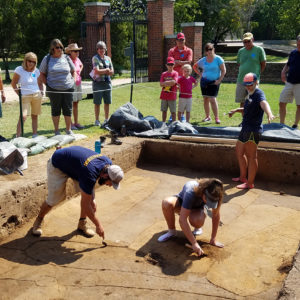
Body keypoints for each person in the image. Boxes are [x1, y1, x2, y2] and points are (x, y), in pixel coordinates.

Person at [31, 146, 124, 238]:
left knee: (91, 202)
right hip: (58, 164)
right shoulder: (90, 174)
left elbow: (87, 199)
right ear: (105, 175)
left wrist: (92, 201)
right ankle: (39, 219)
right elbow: (85, 204)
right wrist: (98, 225)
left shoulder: (108, 164)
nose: (110, 185)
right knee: (54, 200)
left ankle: (82, 224)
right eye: (111, 183)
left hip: (77, 168)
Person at [229, 73, 275, 189]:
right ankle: (243, 177)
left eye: (250, 84)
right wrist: (236, 110)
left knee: (252, 156)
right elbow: (248, 107)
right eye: (246, 84)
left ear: (256, 82)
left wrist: (269, 113)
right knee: (239, 152)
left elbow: (264, 103)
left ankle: (250, 183)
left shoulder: (259, 93)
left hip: (253, 129)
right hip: (245, 128)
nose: (248, 86)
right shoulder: (250, 93)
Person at [158, 178, 224, 257]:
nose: (209, 203)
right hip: (182, 204)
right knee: (167, 203)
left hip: (197, 208)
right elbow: (182, 220)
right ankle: (171, 231)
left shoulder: (216, 194)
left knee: (197, 220)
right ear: (203, 192)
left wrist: (213, 239)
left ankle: (197, 227)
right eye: (208, 200)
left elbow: (216, 215)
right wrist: (194, 243)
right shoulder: (191, 191)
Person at [39, 39, 75, 136]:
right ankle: (56, 131)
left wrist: (73, 81)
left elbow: (73, 70)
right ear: (52, 49)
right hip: (53, 89)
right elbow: (41, 73)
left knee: (68, 109)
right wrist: (48, 84)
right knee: (56, 110)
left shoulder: (67, 58)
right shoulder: (47, 59)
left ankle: (68, 130)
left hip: (68, 88)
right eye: (57, 47)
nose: (60, 49)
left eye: (61, 47)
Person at [11, 52, 43, 137]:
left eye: (34, 62)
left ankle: (35, 134)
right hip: (25, 96)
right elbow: (13, 84)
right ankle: (18, 136)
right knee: (23, 116)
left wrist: (42, 92)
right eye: (29, 61)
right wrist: (19, 94)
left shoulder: (36, 71)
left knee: (35, 115)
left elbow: (40, 83)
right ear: (25, 60)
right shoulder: (19, 69)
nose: (31, 63)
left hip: (36, 95)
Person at [193, 43, 226, 124]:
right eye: (208, 50)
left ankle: (217, 118)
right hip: (204, 82)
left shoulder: (218, 59)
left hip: (214, 82)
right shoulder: (203, 60)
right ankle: (207, 117)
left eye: (211, 49)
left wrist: (219, 80)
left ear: (213, 49)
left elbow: (223, 70)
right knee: (205, 99)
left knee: (212, 99)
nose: (210, 51)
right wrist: (200, 74)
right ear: (206, 51)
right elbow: (194, 66)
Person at [235, 33, 266, 109]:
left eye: (248, 41)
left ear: (252, 40)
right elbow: (239, 63)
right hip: (241, 80)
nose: (247, 43)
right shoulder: (241, 51)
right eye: (245, 42)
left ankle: (253, 119)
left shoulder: (259, 50)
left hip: (253, 81)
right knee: (242, 101)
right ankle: (244, 119)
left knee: (254, 100)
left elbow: (263, 64)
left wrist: (257, 75)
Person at [279, 35, 300, 129]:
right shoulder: (293, 53)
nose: (299, 46)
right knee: (282, 102)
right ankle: (281, 124)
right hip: (289, 82)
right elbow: (288, 64)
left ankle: (295, 124)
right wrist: (283, 71)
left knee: (299, 105)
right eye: (298, 44)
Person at [91, 41, 114, 127]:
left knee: (107, 102)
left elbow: (112, 72)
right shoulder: (95, 58)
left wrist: (105, 71)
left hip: (107, 83)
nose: (101, 50)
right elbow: (96, 71)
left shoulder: (108, 58)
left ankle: (106, 119)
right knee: (97, 103)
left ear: (105, 49)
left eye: (103, 48)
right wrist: (107, 71)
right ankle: (97, 120)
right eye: (99, 48)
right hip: (98, 83)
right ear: (97, 50)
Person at [65, 43, 84, 130]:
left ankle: (76, 122)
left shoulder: (77, 59)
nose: (77, 53)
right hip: (71, 84)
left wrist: (79, 71)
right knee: (70, 104)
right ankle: (71, 123)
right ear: (70, 52)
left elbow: (81, 65)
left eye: (78, 51)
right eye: (75, 51)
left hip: (78, 83)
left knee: (76, 103)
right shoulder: (67, 60)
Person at [160, 57, 178, 122]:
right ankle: (163, 123)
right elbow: (161, 84)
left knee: (173, 112)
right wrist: (169, 83)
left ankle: (174, 124)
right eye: (169, 64)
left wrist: (165, 83)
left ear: (174, 65)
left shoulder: (175, 73)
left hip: (172, 96)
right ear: (166, 65)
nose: (170, 66)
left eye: (172, 64)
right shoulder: (163, 74)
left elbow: (174, 82)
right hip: (164, 96)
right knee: (164, 111)